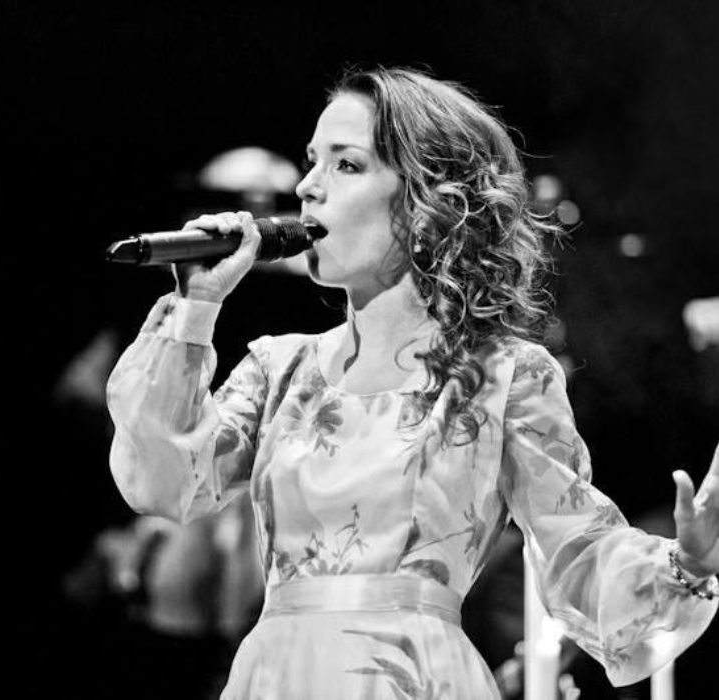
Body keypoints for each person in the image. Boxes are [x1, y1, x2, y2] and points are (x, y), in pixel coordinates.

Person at [106, 66, 718, 699]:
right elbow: (163, 481)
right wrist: (197, 307)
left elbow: (579, 552)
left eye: (346, 165)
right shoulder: (278, 370)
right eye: (311, 162)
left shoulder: (501, 376)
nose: (307, 187)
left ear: (426, 204)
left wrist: (688, 564)